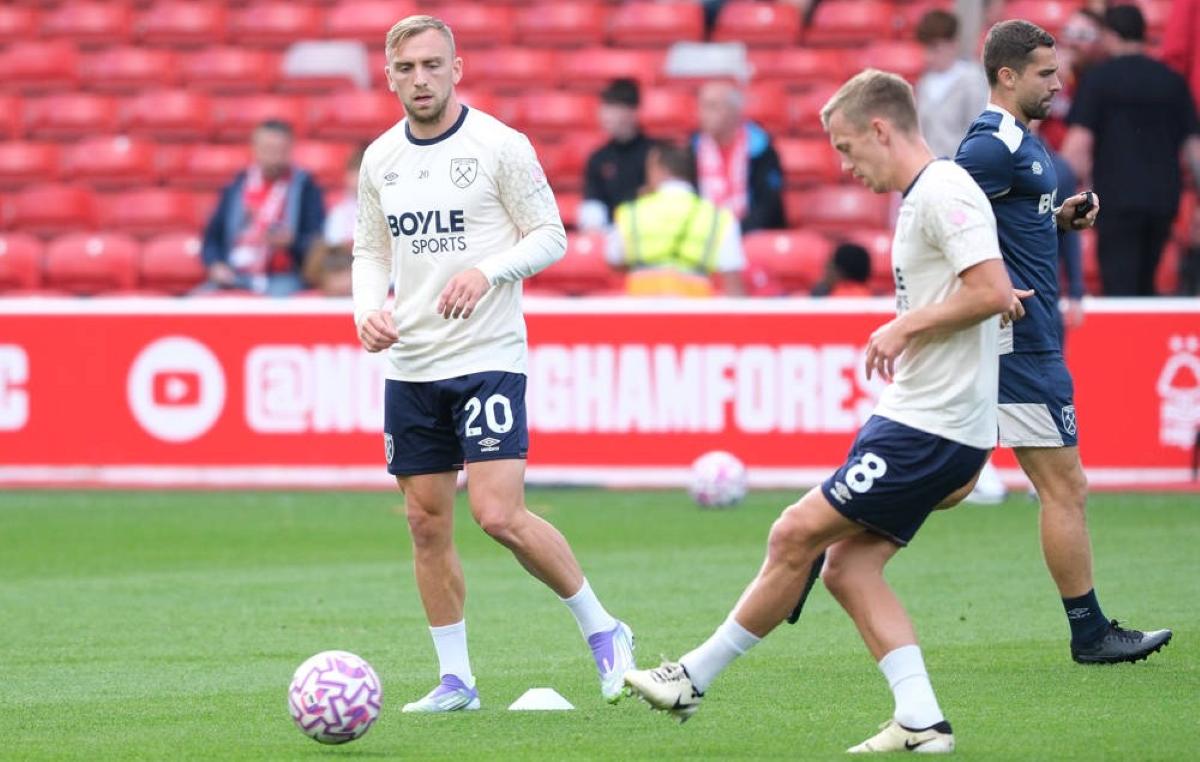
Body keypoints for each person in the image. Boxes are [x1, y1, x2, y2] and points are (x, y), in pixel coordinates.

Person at [624, 69, 1015, 754]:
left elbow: (992, 291)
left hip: (930, 426)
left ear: (880, 130)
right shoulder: (927, 195)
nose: (843, 166)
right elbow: (995, 295)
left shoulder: (943, 191)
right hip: (929, 422)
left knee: (794, 533)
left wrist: (904, 326)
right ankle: (920, 719)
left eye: (845, 147)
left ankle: (690, 678)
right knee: (847, 567)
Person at [351, 15, 635, 712]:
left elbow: (551, 236)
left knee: (498, 514)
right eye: (406, 68)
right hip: (412, 364)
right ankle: (457, 680)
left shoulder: (499, 146)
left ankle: (604, 630)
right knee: (425, 523)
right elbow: (372, 250)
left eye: (432, 65)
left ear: (456, 69)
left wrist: (487, 271)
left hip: (487, 356)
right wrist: (366, 309)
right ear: (389, 77)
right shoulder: (380, 159)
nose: (420, 79)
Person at [955, 19, 1171, 662]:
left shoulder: (1024, 144)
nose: (1059, 83)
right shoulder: (991, 145)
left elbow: (1001, 221)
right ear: (1007, 75)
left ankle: (827, 533)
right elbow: (943, 220)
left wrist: (1056, 218)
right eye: (1046, 73)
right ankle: (1090, 632)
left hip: (1026, 335)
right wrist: (990, 290)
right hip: (1020, 341)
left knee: (952, 482)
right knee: (1064, 486)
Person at [1061, 5, 1200, 296]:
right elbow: (1193, 150)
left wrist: (1066, 196)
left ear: (1110, 36)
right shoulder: (1172, 81)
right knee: (1147, 283)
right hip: (1163, 201)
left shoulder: (1098, 80)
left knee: (1118, 287)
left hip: (1115, 200)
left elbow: (1077, 148)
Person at [199, 120, 325, 296]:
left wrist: (292, 243)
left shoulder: (305, 188)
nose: (272, 156)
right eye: (267, 148)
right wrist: (215, 264)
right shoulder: (237, 186)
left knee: (278, 305)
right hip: (235, 272)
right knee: (199, 301)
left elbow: (317, 241)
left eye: (278, 149)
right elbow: (212, 237)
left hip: (283, 276)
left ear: (289, 150)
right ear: (254, 148)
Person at [607, 141, 746, 296]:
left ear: (659, 169)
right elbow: (733, 284)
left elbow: (614, 259)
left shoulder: (630, 212)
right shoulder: (719, 218)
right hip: (695, 309)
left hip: (642, 307)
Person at [691, 80, 786, 232]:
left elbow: (768, 205)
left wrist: (735, 232)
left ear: (733, 111)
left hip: (752, 235)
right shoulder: (692, 149)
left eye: (711, 106)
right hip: (703, 235)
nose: (702, 114)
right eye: (701, 106)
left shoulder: (761, 149)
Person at [577, 78, 657, 231]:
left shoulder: (655, 154)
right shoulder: (598, 159)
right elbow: (593, 205)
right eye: (604, 108)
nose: (605, 115)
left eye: (613, 108)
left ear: (632, 111)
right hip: (610, 234)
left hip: (649, 232)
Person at [914, 9, 990, 159]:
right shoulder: (924, 84)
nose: (928, 57)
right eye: (926, 48)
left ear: (953, 44)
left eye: (935, 48)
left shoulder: (973, 82)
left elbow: (981, 135)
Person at [303, 146, 365, 296]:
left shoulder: (394, 211)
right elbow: (332, 254)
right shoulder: (338, 214)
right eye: (355, 173)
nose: (359, 180)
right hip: (346, 275)